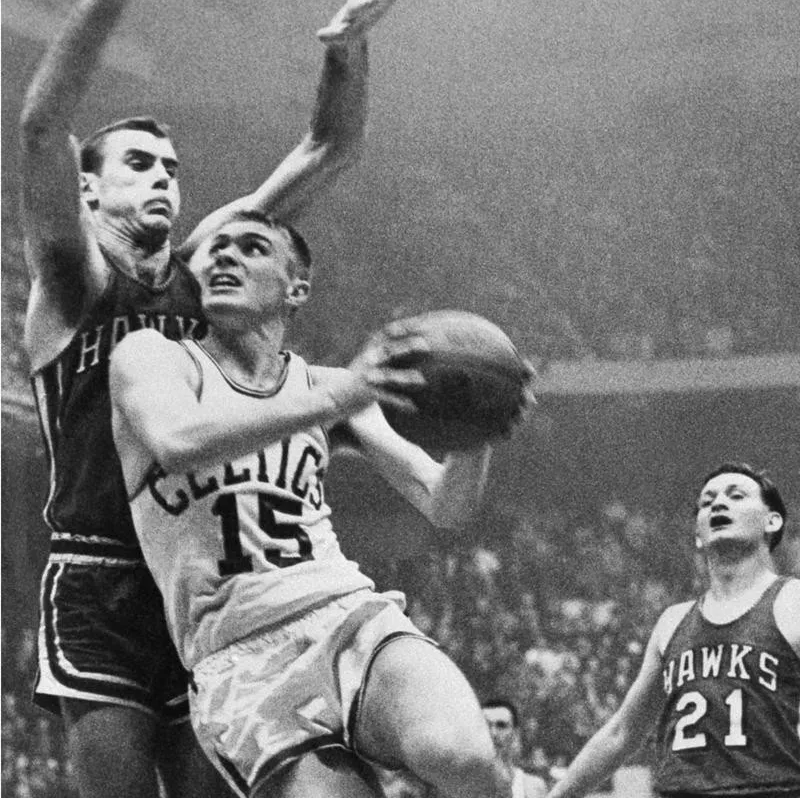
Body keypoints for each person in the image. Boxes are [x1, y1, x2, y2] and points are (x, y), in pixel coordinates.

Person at [19, 0, 401, 796]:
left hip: (207, 584)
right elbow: (39, 125)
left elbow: (330, 147)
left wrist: (347, 49)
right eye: (138, 164)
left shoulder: (205, 274)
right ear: (87, 192)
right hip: (101, 576)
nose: (163, 175)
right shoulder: (72, 279)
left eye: (171, 167)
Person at [109, 209, 532, 798]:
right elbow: (178, 442)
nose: (226, 255)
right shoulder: (152, 357)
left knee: (462, 757)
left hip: (343, 612)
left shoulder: (328, 388)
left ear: (295, 288)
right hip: (241, 657)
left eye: (253, 247)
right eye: (214, 248)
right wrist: (342, 393)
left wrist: (475, 436)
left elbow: (444, 506)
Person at [547, 462, 800, 798]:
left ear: (772, 521)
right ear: (698, 535)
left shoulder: (791, 601)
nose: (718, 504)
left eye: (736, 495)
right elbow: (622, 732)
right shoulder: (673, 622)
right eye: (707, 501)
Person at [482, 699, 548, 798]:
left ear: (515, 733)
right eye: (487, 725)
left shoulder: (533, 786)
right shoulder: (464, 784)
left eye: (501, 725)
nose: (493, 733)